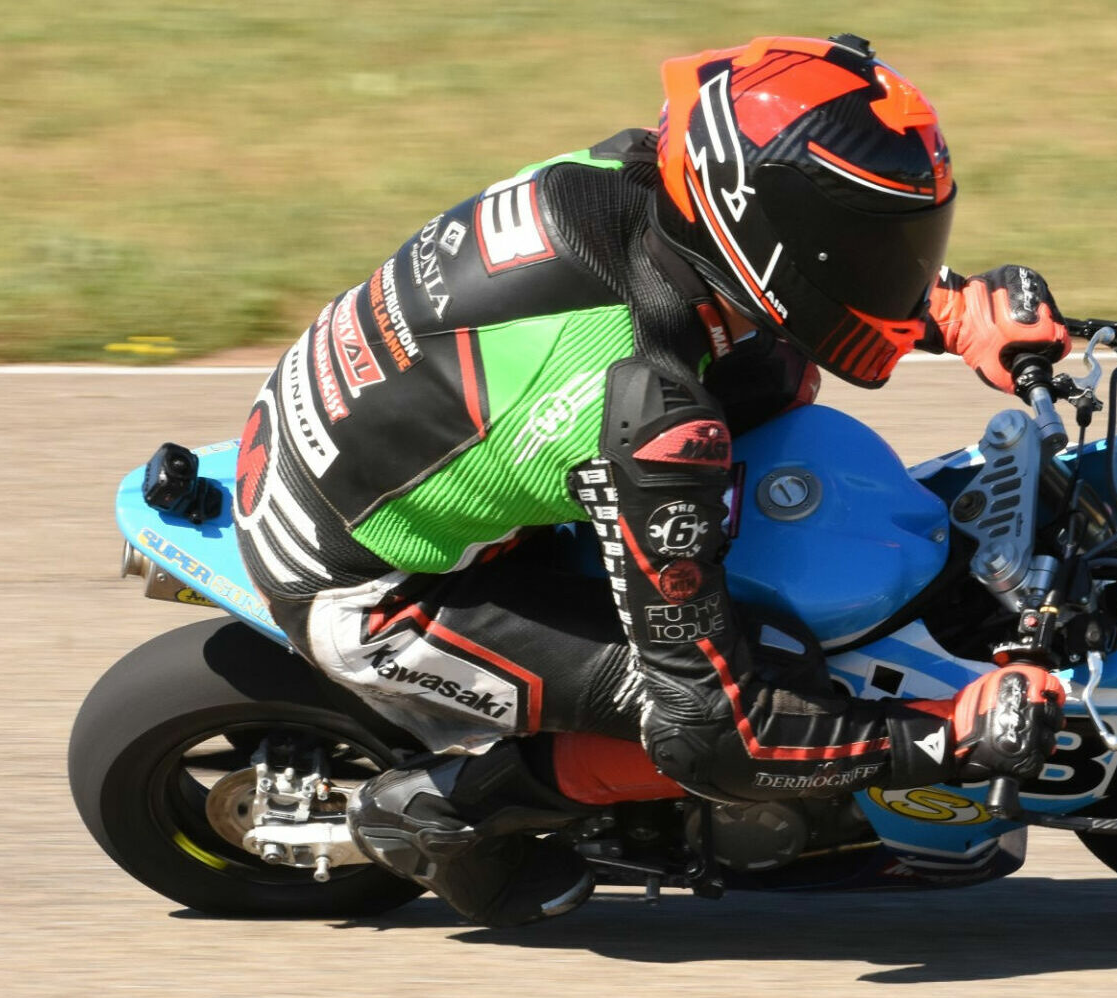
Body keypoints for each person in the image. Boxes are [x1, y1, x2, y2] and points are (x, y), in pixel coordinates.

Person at [233, 34, 1071, 926]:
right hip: (379, 591)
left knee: (774, 376)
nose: (902, 264)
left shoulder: (642, 173)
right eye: (882, 247)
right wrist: (946, 738)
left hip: (361, 438)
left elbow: (785, 258)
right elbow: (718, 732)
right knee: (771, 668)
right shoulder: (655, 417)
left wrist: (942, 306)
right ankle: (452, 810)